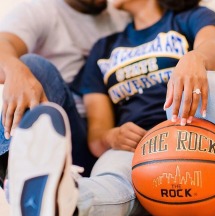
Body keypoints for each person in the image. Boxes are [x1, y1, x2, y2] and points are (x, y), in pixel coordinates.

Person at [7, 0, 215, 216]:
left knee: (210, 83)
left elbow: (214, 46)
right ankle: (60, 206)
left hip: (200, 134)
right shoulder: (104, 49)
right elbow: (97, 134)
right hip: (141, 148)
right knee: (113, 180)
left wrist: (195, 58)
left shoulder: (189, 17)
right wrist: (113, 136)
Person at [0, 0, 130, 184]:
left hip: (115, 132)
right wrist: (16, 70)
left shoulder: (122, 14)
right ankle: (15, 173)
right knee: (33, 65)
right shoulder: (40, 11)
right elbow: (3, 46)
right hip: (64, 127)